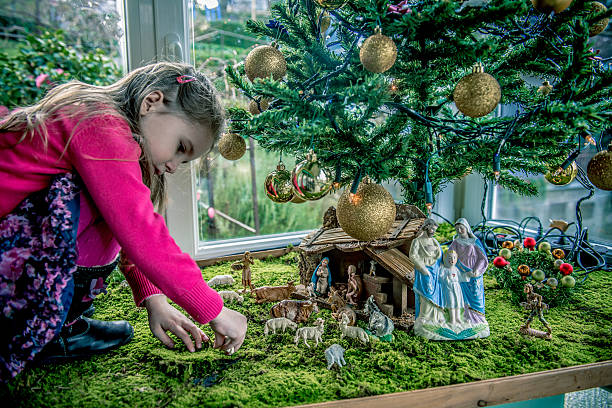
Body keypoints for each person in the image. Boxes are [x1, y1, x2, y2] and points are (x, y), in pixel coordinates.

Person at [0, 62, 247, 381]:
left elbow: (125, 222)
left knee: (107, 199)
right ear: (151, 103)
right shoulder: (101, 125)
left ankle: (64, 321)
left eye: (184, 161)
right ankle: (49, 326)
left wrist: (154, 297)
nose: (173, 166)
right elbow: (138, 231)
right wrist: (214, 309)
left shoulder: (105, 125)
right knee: (100, 202)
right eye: (180, 148)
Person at [448, 218, 488, 324]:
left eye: (461, 228)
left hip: (474, 274)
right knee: (462, 296)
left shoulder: (474, 242)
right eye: (457, 229)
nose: (460, 231)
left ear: (466, 228)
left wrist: (476, 271)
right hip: (462, 274)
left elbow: (482, 258)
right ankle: (465, 318)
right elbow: (449, 255)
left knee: (476, 295)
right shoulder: (456, 242)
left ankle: (478, 319)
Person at [409, 218, 444, 323]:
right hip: (424, 271)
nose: (434, 232)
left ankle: (435, 317)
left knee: (435, 293)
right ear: (427, 227)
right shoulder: (417, 241)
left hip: (435, 271)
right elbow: (413, 256)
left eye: (435, 230)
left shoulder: (434, 241)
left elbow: (440, 255)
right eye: (432, 229)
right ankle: (424, 316)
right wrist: (423, 269)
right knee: (426, 293)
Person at [438, 249, 467, 325]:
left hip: (456, 287)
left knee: (457, 302)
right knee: (451, 302)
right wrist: (445, 279)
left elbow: (460, 278)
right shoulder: (444, 269)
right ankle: (452, 319)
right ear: (445, 259)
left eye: (454, 258)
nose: (452, 260)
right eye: (450, 258)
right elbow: (440, 277)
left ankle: (458, 318)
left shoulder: (455, 269)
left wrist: (467, 276)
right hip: (449, 288)